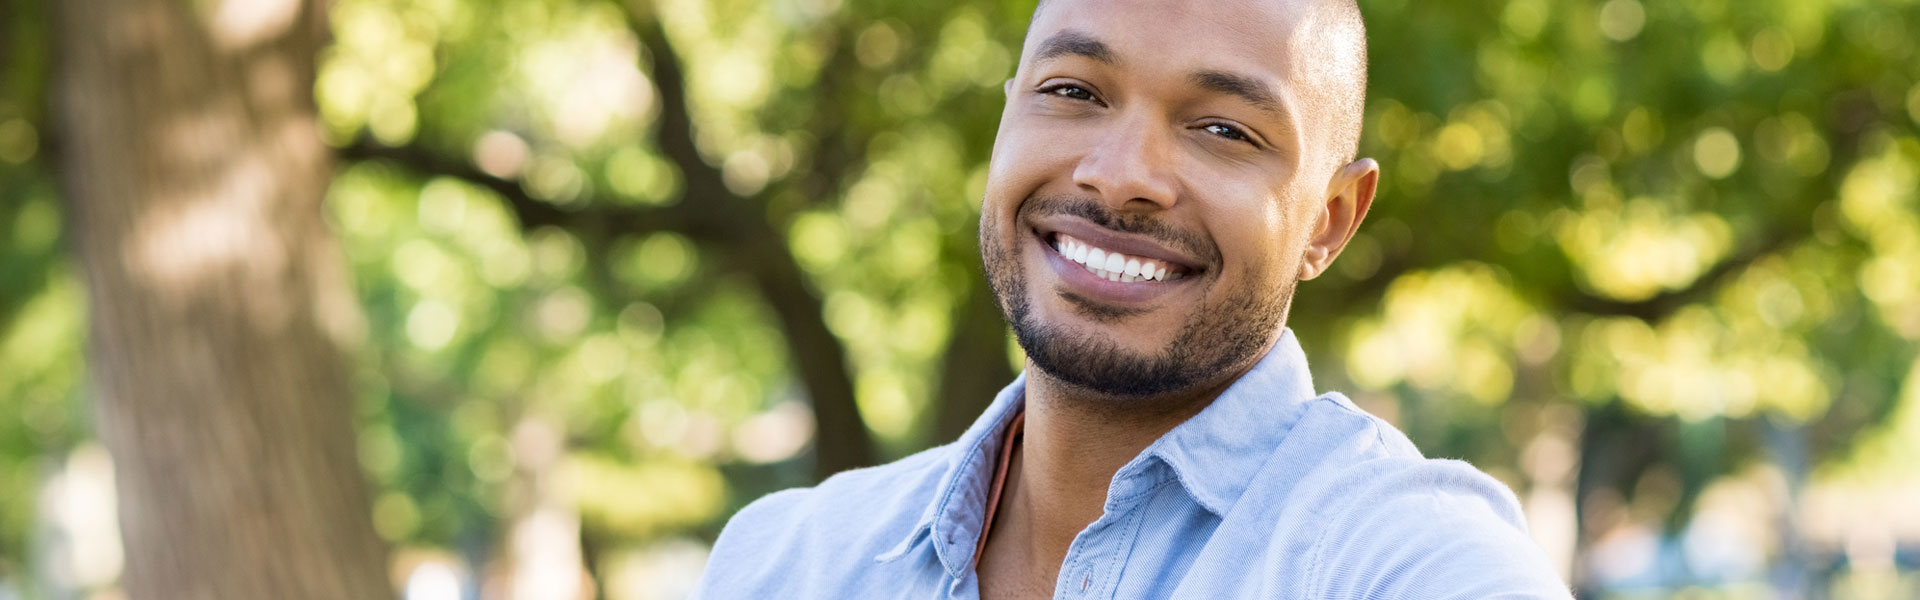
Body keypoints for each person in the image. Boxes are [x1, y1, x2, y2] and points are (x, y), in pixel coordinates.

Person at [693, 0, 1572, 596]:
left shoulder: (1401, 563)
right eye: (1072, 91)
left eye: (1224, 129)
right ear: (1007, 120)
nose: (1119, 178)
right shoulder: (785, 562)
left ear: (1329, 222)